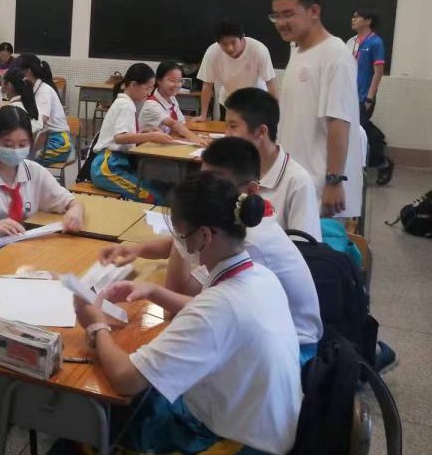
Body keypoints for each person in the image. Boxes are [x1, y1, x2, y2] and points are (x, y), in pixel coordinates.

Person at [76, 171, 302, 455]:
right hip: (265, 425)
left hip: (237, 443)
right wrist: (153, 291)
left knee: (98, 423)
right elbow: (213, 314)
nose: (180, 245)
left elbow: (126, 380)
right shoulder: (260, 275)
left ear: (205, 236)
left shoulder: (217, 309)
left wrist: (97, 326)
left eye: (181, 237)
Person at [101, 138, 323, 365]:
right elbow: (189, 246)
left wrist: (183, 221)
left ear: (250, 189)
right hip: (273, 339)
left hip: (296, 352)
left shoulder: (249, 244)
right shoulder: (241, 222)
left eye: (216, 184)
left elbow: (184, 295)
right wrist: (139, 249)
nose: (205, 192)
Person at [271, 0, 363, 219]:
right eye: (276, 15)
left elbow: (339, 122)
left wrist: (334, 181)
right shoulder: (297, 51)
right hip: (297, 179)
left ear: (313, 11)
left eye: (288, 14)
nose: (281, 22)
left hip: (322, 188)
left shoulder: (335, 54)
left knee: (320, 245)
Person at [0, 107, 85, 262]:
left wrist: (76, 211)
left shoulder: (35, 172)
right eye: (7, 145)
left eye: (22, 145)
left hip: (26, 248)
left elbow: (72, 202)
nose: (15, 150)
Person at [223, 88, 321, 239]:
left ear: (261, 132)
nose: (226, 134)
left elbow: (305, 248)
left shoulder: (297, 182)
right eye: (226, 126)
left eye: (233, 126)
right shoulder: (230, 170)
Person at [89, 63, 174, 203]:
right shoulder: (126, 105)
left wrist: (143, 133)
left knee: (158, 189)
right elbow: (120, 138)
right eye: (147, 88)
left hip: (115, 164)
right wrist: (152, 136)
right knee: (154, 197)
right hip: (108, 167)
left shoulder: (126, 103)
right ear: (134, 84)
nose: (149, 93)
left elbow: (123, 135)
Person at [194, 22, 277, 121]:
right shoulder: (212, 52)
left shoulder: (259, 50)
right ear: (218, 42)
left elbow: (270, 82)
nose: (230, 48)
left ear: (242, 38)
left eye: (233, 43)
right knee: (227, 129)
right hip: (229, 101)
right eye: (224, 44)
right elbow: (207, 84)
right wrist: (203, 115)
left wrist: (274, 114)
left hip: (256, 102)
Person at [18, 53, 73, 166]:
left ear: (28, 72)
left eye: (18, 71)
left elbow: (41, 120)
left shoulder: (44, 90)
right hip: (45, 139)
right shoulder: (34, 88)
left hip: (57, 143)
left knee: (19, 160)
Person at [140, 61, 206, 146]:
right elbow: (173, 124)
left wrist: (197, 136)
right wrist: (195, 139)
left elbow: (180, 123)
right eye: (172, 81)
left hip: (164, 145)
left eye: (179, 81)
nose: (177, 85)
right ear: (159, 80)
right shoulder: (151, 104)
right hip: (147, 148)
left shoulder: (172, 98)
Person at [347, 8, 386, 116]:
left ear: (368, 21)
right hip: (348, 95)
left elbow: (378, 73)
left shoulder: (376, 42)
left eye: (357, 17)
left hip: (363, 98)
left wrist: (369, 99)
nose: (353, 19)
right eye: (353, 17)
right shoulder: (350, 42)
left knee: (360, 125)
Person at [0, 68, 43, 136]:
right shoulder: (34, 106)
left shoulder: (11, 110)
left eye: (2, 84)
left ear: (9, 86)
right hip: (32, 142)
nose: (2, 88)